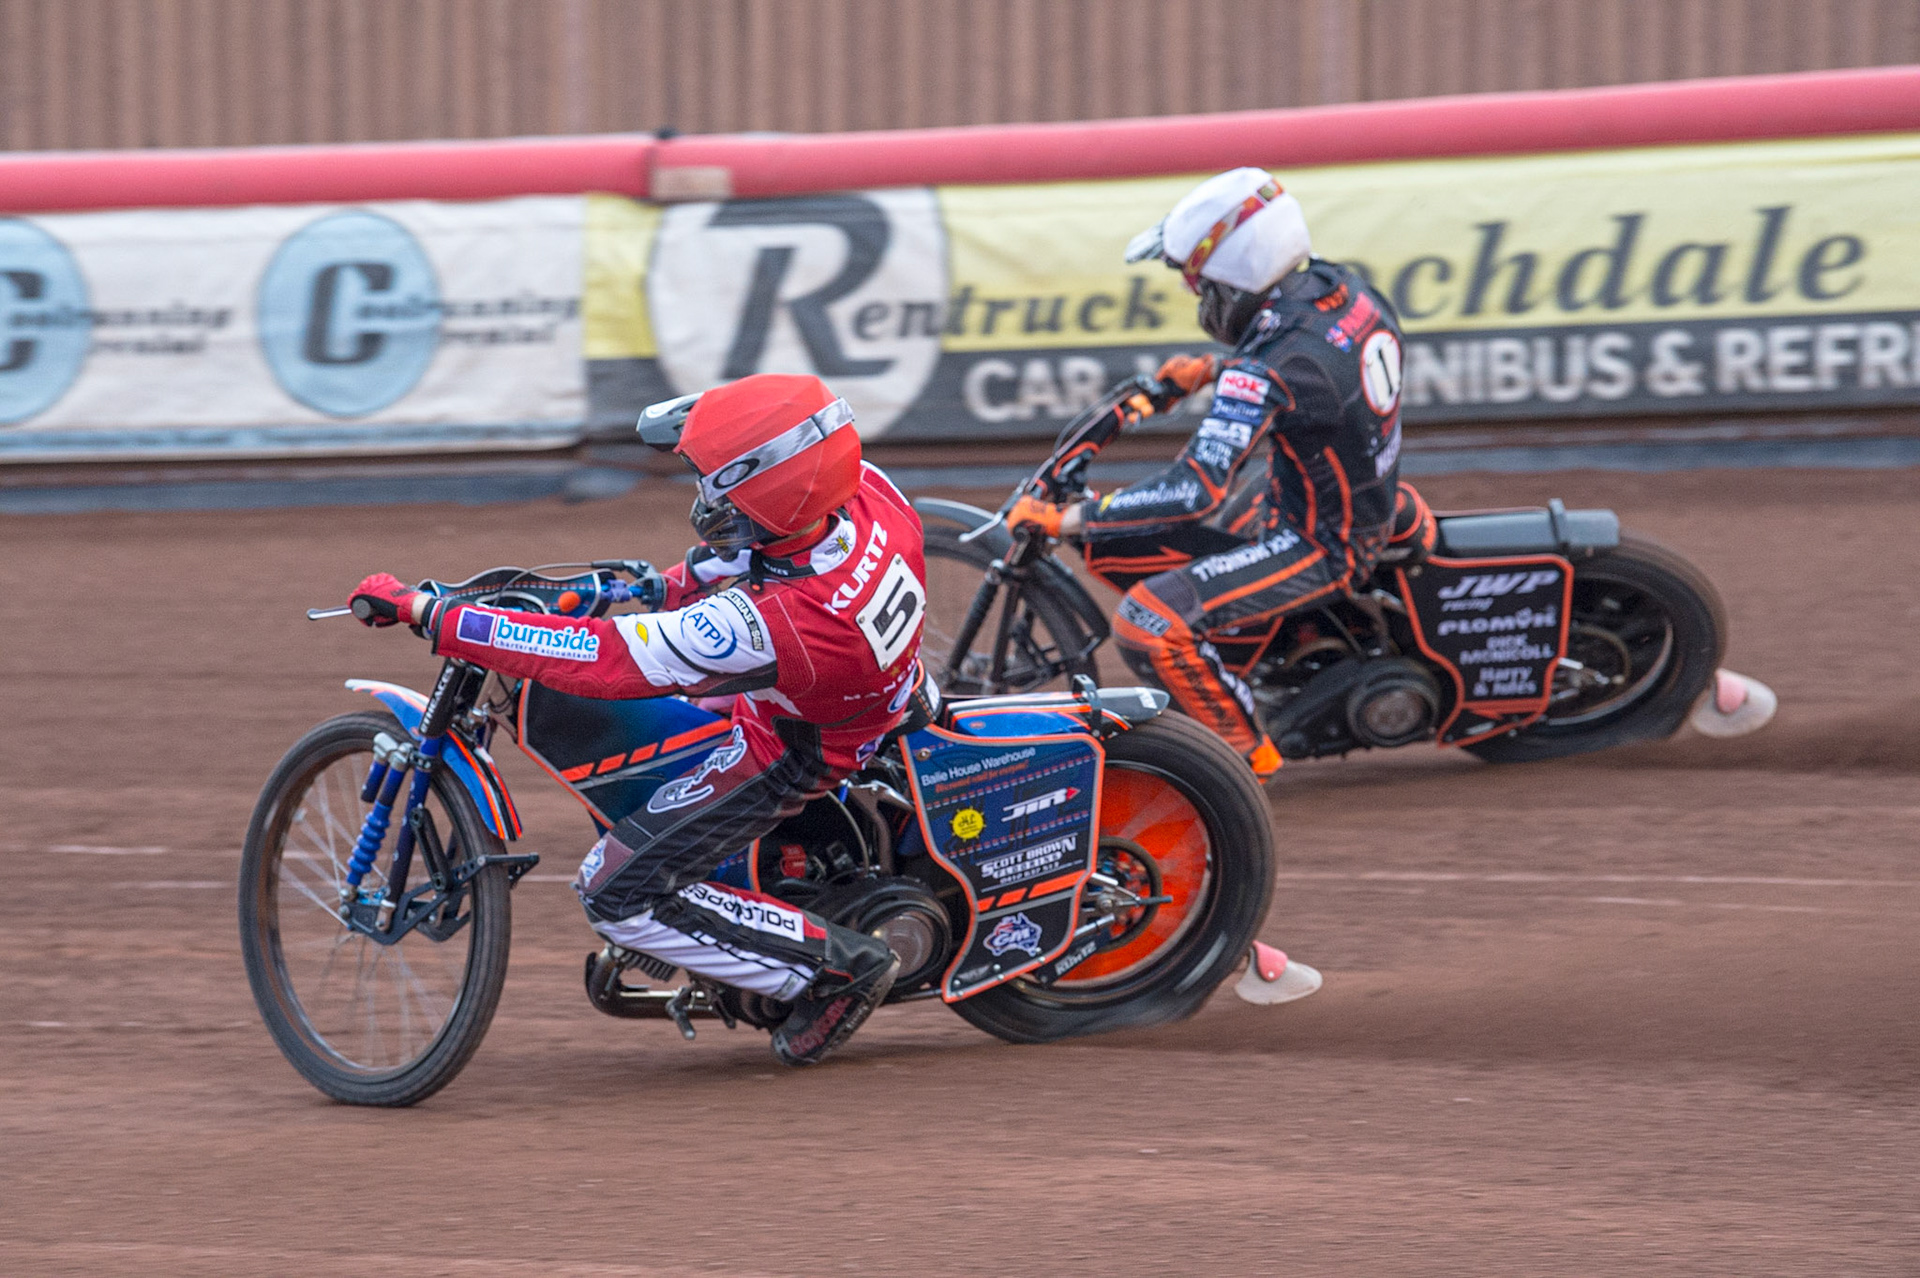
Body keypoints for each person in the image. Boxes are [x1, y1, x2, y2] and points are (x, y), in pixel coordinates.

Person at [348, 373, 928, 1067]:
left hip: (794, 747)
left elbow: (608, 659)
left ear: (770, 486)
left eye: (719, 483)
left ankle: (837, 968)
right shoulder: (863, 491)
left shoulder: (777, 622)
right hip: (873, 685)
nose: (707, 496)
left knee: (614, 890)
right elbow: (770, 552)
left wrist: (436, 615)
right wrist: (655, 584)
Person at [1007, 167, 1405, 779]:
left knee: (1148, 622)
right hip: (1349, 491)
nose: (1199, 299)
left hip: (1322, 542)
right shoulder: (1345, 289)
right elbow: (1309, 361)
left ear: (1233, 278)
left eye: (1200, 285)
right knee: (1213, 527)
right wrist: (1216, 370)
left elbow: (1194, 490)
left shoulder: (1267, 367)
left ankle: (1244, 763)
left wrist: (1071, 518)